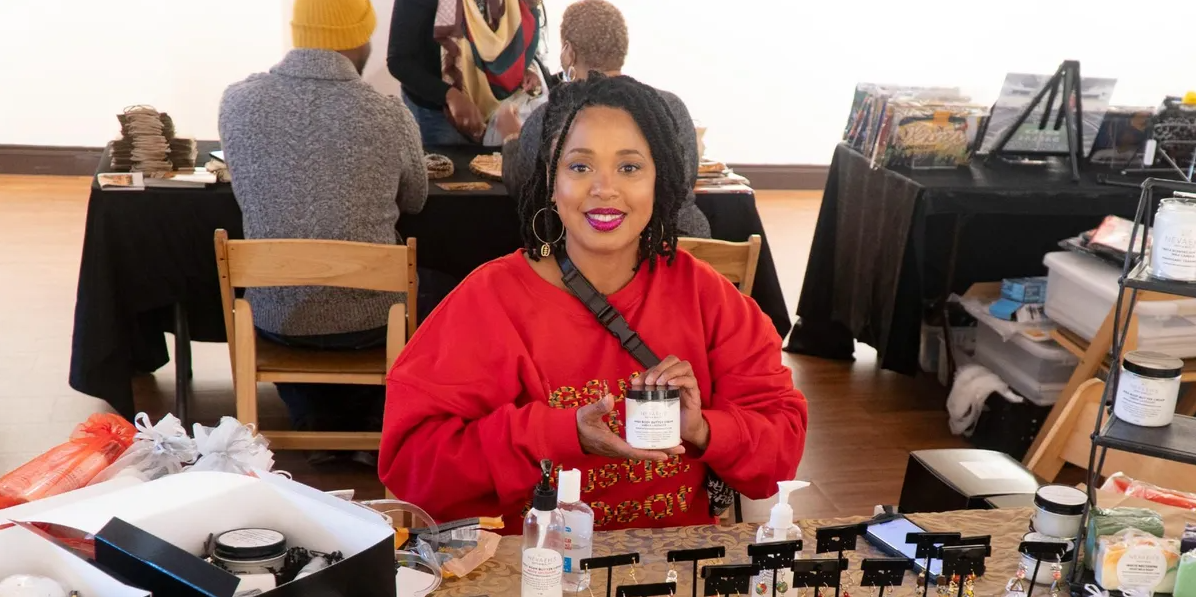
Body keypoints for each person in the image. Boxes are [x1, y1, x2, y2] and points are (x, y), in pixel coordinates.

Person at [379, 75, 807, 530]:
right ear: (551, 181)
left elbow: (780, 453)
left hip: (676, 565)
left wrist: (702, 430)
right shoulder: (489, 301)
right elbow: (413, 465)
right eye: (580, 167)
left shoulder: (709, 299)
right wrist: (560, 434)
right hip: (533, 568)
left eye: (629, 168)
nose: (605, 189)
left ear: (660, 180)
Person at [219, 0, 443, 464]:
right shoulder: (387, 115)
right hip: (370, 323)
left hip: (275, 317)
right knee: (442, 294)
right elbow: (416, 201)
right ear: (357, 39)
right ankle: (375, 421)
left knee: (293, 301)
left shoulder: (237, 103)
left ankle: (313, 418)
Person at [497, 0, 711, 238]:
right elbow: (686, 181)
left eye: (629, 168)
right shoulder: (672, 107)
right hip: (690, 241)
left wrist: (511, 138)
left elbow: (525, 188)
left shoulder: (553, 115)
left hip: (597, 250)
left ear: (569, 52)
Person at [387, 0, 544, 145]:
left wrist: (524, 67)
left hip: (494, 110)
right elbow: (399, 61)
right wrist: (449, 95)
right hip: (436, 113)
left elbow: (520, 29)